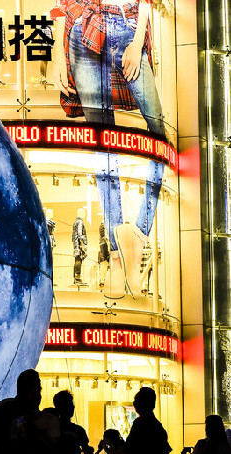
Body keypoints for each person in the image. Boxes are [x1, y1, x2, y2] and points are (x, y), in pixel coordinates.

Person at [52, 0, 166, 297]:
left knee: (159, 135)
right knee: (104, 145)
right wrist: (58, 56)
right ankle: (117, 255)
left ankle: (138, 235)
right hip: (84, 31)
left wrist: (138, 41)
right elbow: (61, 5)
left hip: (127, 25)